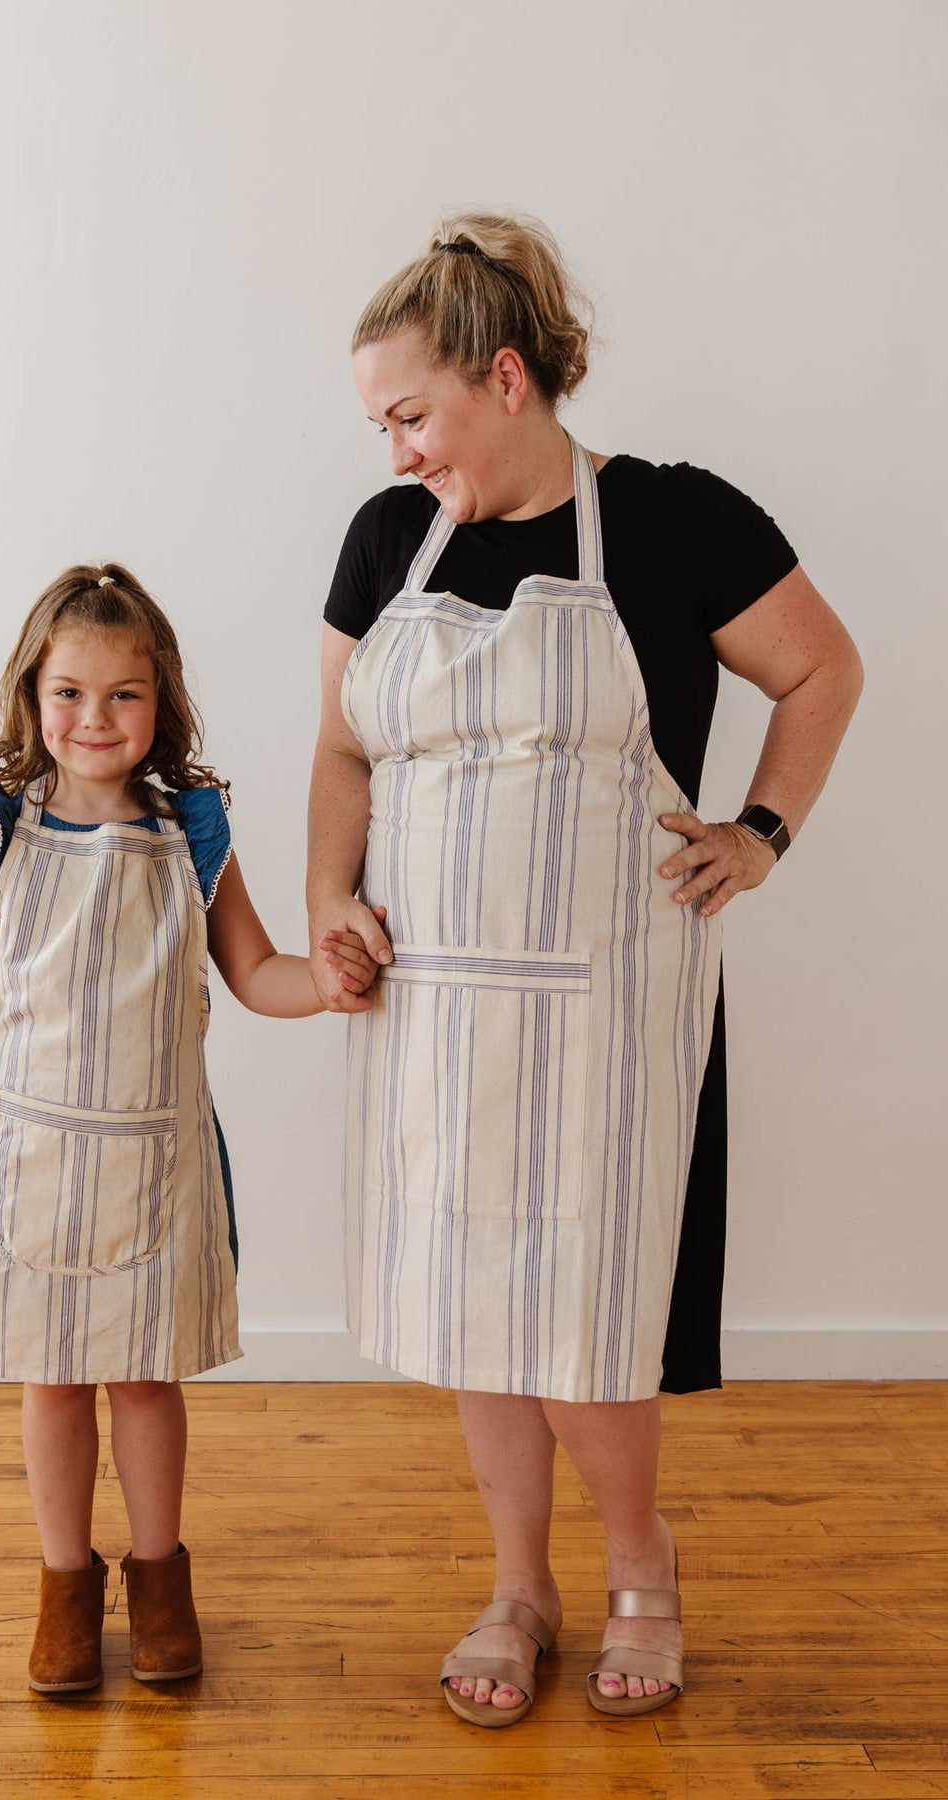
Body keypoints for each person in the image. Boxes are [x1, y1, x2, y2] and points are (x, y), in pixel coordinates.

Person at [308, 214, 863, 1725]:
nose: (398, 449)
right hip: (435, 1006)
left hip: (609, 1006)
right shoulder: (385, 539)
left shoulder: (678, 524)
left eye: (410, 415)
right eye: (381, 425)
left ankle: (640, 1568)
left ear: (504, 378)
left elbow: (825, 666)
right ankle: (517, 1584)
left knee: (594, 1310)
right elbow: (344, 745)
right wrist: (324, 898)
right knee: (471, 1303)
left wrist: (761, 831)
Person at [0, 562, 376, 1694]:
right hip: (30, 1168)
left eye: (123, 695)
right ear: (32, 699)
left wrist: (335, 978)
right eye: (68, 693)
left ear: (159, 703)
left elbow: (257, 971)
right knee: (54, 1382)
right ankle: (65, 1585)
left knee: (147, 1382)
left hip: (157, 1170)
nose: (93, 718)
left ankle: (160, 1574)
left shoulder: (192, 837)